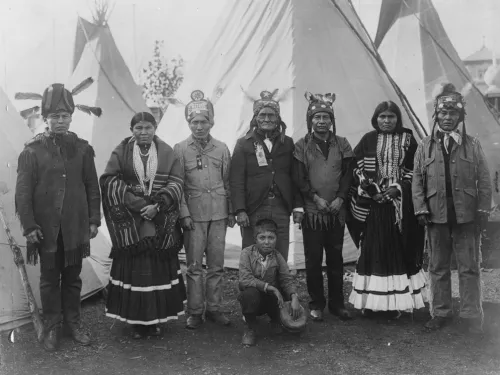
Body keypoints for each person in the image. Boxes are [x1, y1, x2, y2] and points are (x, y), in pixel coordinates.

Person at [15, 79, 102, 351]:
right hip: (47, 229)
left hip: (75, 227)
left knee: (73, 278)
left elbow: (92, 186)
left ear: (72, 117)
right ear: (45, 118)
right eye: (55, 116)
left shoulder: (83, 149)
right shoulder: (32, 151)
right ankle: (52, 325)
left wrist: (93, 220)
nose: (60, 121)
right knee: (50, 279)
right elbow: (22, 194)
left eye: (65, 116)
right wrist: (29, 226)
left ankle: (72, 323)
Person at [413, 83, 492, 334]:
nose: (448, 118)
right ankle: (441, 312)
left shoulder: (472, 144)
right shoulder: (425, 146)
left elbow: (485, 179)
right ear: (436, 116)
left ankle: (470, 313)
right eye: (443, 114)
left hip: (466, 214)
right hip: (436, 215)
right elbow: (417, 180)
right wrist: (420, 208)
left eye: (453, 114)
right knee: (438, 266)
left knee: (469, 266)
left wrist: (482, 209)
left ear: (460, 117)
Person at [100, 112, 186, 339]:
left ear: (155, 128)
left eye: (148, 127)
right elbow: (109, 180)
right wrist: (138, 204)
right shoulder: (122, 151)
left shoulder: (166, 152)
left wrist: (157, 205)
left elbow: (176, 182)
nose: (143, 132)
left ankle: (156, 317)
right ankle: (136, 321)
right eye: (138, 128)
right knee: (136, 267)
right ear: (132, 130)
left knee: (156, 265)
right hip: (132, 217)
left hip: (159, 215)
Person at [347, 101, 427, 317]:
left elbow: (416, 170)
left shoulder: (409, 139)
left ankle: (396, 304)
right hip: (373, 203)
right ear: (376, 118)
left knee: (397, 249)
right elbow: (355, 168)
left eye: (391, 116)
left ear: (397, 118)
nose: (386, 120)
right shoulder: (368, 139)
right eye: (382, 116)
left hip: (398, 204)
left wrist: (397, 188)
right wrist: (372, 190)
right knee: (374, 249)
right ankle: (373, 303)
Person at [174, 90, 235, 330]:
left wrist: (230, 212)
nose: (199, 126)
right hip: (194, 216)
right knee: (194, 265)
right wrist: (184, 214)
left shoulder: (221, 148)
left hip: (218, 213)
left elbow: (228, 181)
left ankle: (215, 308)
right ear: (188, 123)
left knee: (217, 265)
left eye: (203, 122)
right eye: (194, 122)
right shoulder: (180, 149)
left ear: (212, 122)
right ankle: (195, 311)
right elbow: (177, 184)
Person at [293, 92, 354, 322]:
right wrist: (315, 198)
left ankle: (337, 304)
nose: (321, 121)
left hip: (336, 211)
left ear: (332, 120)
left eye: (325, 117)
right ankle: (317, 303)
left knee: (336, 259)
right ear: (311, 120)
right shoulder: (302, 145)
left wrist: (340, 198)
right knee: (314, 259)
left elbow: (348, 174)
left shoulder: (343, 143)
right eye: (317, 117)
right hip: (313, 212)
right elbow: (299, 177)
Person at [230, 90, 302, 261]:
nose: (267, 119)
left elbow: (295, 176)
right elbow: (236, 179)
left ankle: (278, 286)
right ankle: (252, 286)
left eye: (272, 115)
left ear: (278, 118)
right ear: (255, 118)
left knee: (280, 250)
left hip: (281, 206)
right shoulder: (244, 143)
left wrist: (298, 207)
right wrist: (240, 210)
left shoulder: (288, 143)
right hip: (253, 206)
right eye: (263, 115)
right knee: (252, 250)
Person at [238, 218, 301, 346]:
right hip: (255, 298)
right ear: (255, 239)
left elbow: (286, 279)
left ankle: (275, 319)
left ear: (276, 239)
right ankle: (250, 327)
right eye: (262, 238)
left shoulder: (277, 256)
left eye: (271, 238)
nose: (267, 242)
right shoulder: (246, 253)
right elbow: (245, 279)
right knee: (249, 294)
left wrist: (294, 297)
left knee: (285, 294)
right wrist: (270, 288)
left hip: (271, 300)